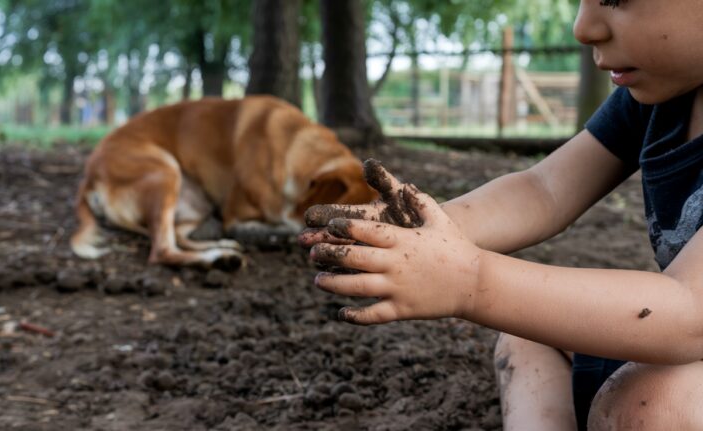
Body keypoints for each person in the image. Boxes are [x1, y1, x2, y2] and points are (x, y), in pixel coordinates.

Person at [298, 1, 703, 429]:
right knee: (532, 335)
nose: (583, 29)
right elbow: (544, 190)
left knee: (655, 402)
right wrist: (424, 227)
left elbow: (689, 311)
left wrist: (470, 280)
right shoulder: (659, 97)